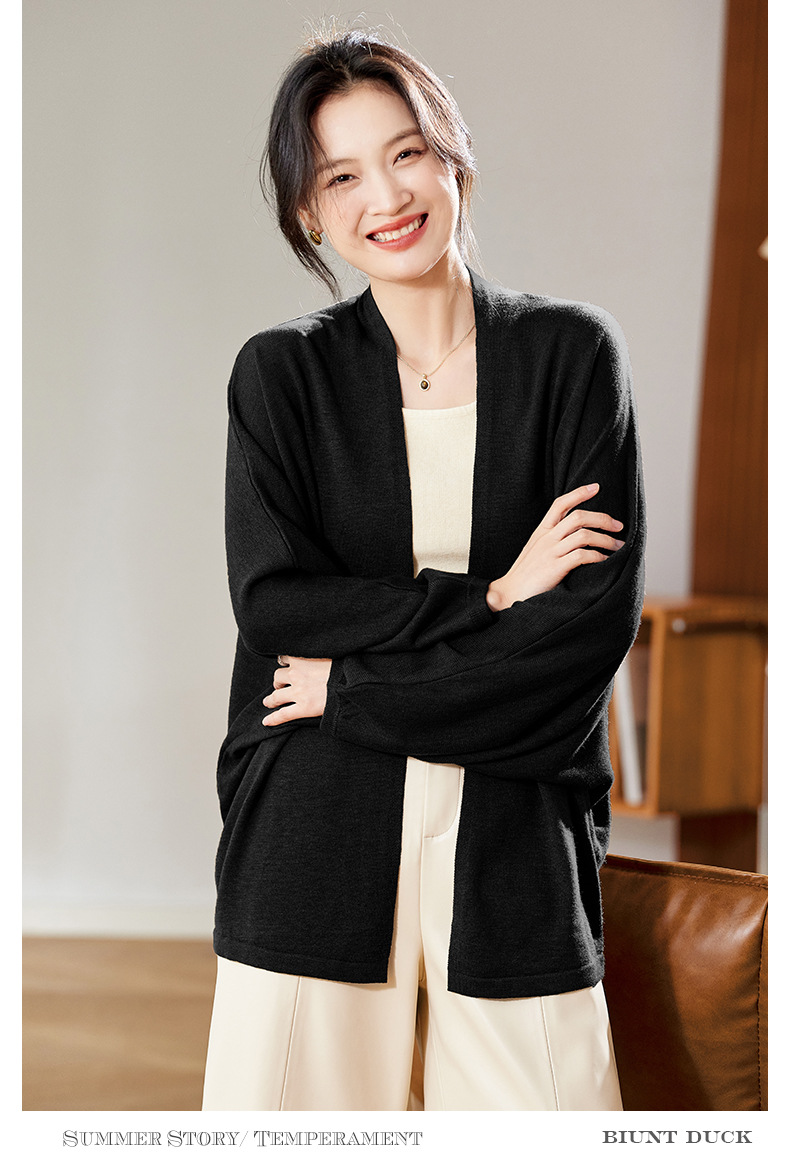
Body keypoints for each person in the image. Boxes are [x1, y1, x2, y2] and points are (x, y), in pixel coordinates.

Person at [201, 26, 645, 1112]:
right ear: (309, 213)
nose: (386, 196)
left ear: (454, 161)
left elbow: (576, 646)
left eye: (406, 154)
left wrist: (349, 689)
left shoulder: (571, 357)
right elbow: (277, 603)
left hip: (513, 822)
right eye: (341, 175)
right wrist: (493, 594)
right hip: (314, 821)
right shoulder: (282, 375)